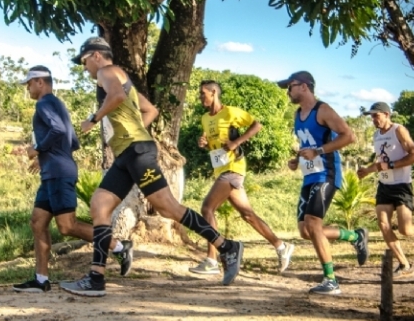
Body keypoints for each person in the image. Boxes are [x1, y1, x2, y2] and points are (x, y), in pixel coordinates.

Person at [60, 37, 244, 297]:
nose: (84, 67)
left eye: (84, 61)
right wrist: (132, 132)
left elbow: (114, 96)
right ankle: (96, 278)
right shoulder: (123, 80)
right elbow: (151, 110)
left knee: (168, 207)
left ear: (96, 55)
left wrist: (93, 118)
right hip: (128, 153)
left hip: (137, 153)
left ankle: (226, 247)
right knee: (99, 206)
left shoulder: (107, 71)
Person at [12, 66, 133, 293]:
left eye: (29, 84)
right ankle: (40, 279)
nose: (27, 88)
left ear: (40, 82)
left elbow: (57, 131)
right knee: (38, 222)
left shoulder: (44, 103)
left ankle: (118, 246)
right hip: (52, 173)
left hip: (58, 173)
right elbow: (73, 141)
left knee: (68, 226)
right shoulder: (58, 105)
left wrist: (37, 148)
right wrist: (48, 155)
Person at [277, 71, 368, 295]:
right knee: (305, 231)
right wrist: (296, 159)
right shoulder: (298, 115)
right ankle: (355, 236)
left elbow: (348, 136)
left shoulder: (323, 110)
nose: (288, 91)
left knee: (313, 223)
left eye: (290, 86)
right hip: (309, 176)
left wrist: (318, 151)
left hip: (327, 174)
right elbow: (307, 144)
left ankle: (331, 280)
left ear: (304, 87)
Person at [191, 80, 294, 276]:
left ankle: (212, 260)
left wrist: (236, 141)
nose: (200, 97)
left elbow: (257, 125)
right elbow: (211, 141)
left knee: (207, 208)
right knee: (248, 215)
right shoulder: (205, 118)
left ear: (213, 92)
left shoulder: (231, 112)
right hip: (220, 169)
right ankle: (281, 247)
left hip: (233, 167)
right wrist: (203, 143)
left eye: (203, 93)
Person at [358, 102, 414, 277]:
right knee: (383, 224)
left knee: (406, 230)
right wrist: (366, 171)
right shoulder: (376, 135)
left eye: (376, 116)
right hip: (384, 186)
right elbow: (381, 163)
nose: (373, 119)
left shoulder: (398, 130)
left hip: (402, 186)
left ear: (387, 114)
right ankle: (404, 264)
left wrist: (392, 165)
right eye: (371, 117)